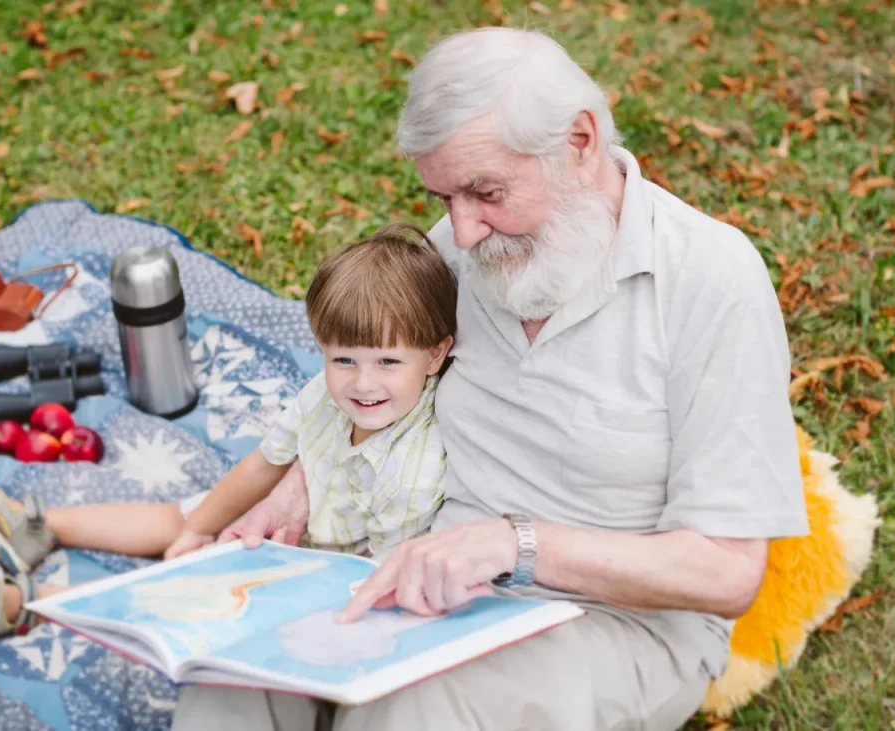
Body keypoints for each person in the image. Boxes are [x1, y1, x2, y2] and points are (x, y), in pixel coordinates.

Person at [171, 27, 808, 731]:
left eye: (486, 192)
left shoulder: (710, 281)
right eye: (443, 197)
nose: (463, 233)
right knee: (229, 671)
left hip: (610, 622)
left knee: (414, 708)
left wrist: (515, 543)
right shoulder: (464, 247)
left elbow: (725, 573)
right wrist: (305, 479)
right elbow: (391, 382)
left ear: (580, 142)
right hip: (415, 565)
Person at [0, 223, 457, 640]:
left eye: (388, 361)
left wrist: (236, 563)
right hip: (288, 523)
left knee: (182, 598)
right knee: (185, 513)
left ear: (435, 354)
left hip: (316, 575)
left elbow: (375, 582)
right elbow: (263, 464)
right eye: (344, 358)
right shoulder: (323, 396)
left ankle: (33, 605)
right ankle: (37, 525)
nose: (363, 383)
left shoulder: (412, 473)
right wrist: (199, 526)